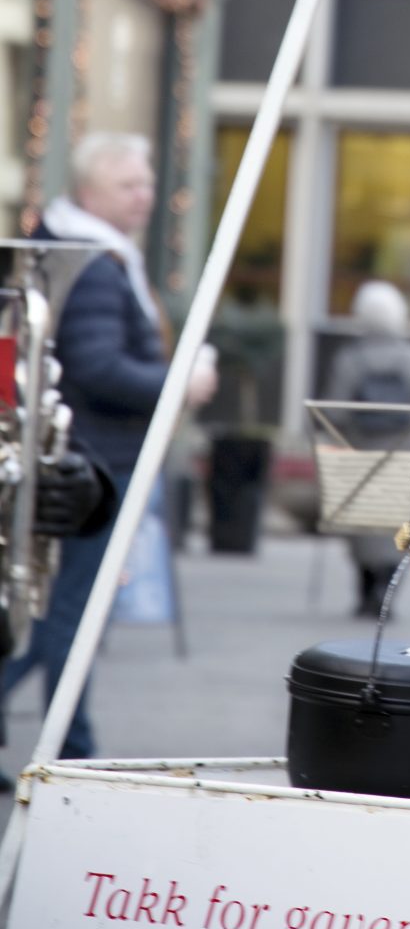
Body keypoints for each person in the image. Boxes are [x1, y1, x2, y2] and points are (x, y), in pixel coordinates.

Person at [1, 133, 217, 765]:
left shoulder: (94, 250)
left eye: (148, 183)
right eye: (129, 185)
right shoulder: (93, 261)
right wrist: (181, 383)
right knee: (69, 610)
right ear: (89, 191)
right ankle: (73, 750)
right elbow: (97, 368)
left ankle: (71, 743)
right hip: (92, 462)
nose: (145, 198)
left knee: (56, 609)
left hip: (77, 457)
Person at [325, 279, 410, 617]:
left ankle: (365, 592)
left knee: (363, 527)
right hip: (403, 458)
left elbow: (334, 412)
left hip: (360, 455)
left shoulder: (350, 359)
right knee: (398, 525)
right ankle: (387, 591)